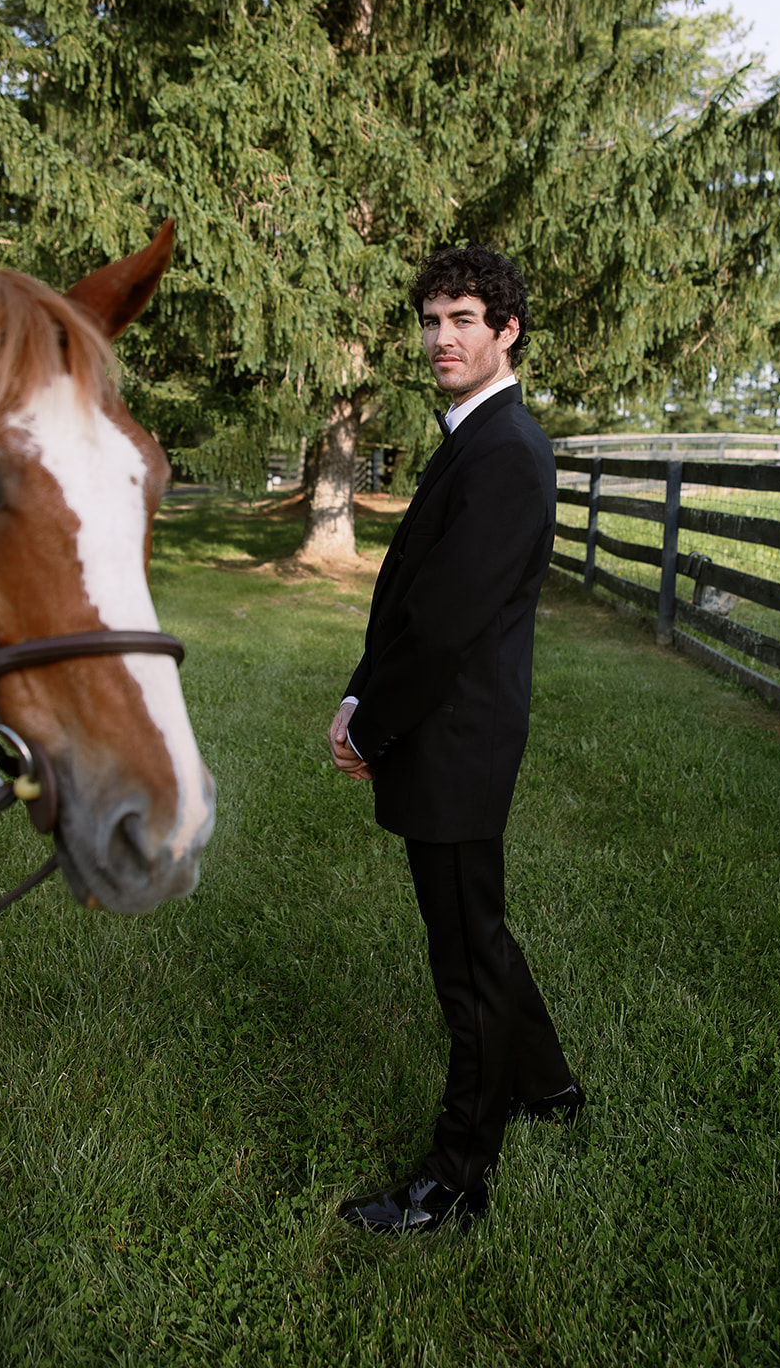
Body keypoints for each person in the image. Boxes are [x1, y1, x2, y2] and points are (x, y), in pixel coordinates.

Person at [328, 243, 584, 1233]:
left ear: (506, 329)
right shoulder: (474, 436)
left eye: (463, 319)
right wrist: (360, 694)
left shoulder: (508, 452)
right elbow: (412, 597)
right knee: (477, 931)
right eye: (431, 319)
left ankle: (456, 1178)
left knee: (464, 958)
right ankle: (547, 1083)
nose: (440, 337)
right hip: (442, 724)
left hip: (456, 735)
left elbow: (444, 625)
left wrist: (371, 723)